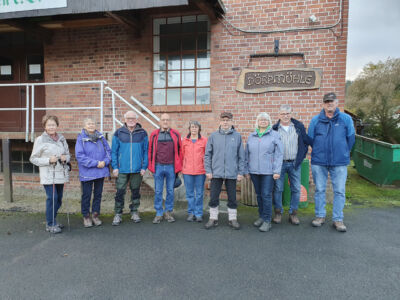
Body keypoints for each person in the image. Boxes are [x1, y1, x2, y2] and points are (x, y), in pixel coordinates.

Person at [308, 92, 355, 232]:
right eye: (327, 101)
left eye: (332, 101)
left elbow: (351, 139)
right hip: (319, 161)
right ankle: (320, 216)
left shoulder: (346, 119)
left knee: (339, 191)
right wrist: (318, 151)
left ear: (337, 103)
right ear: (323, 104)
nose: (329, 104)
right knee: (320, 190)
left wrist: (344, 152)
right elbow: (310, 139)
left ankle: (338, 219)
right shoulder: (315, 120)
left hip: (339, 162)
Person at [204, 112, 245, 230]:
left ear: (231, 121)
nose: (225, 122)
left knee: (232, 197)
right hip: (216, 172)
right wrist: (208, 170)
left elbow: (241, 156)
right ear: (220, 121)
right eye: (223, 120)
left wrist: (240, 172)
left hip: (232, 173)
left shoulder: (237, 136)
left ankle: (232, 219)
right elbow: (207, 155)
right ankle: (213, 218)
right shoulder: (213, 136)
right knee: (213, 197)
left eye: (228, 120)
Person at [272, 105, 312, 225]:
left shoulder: (298, 126)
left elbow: (305, 141)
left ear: (291, 114)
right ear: (279, 115)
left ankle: (293, 214)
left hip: (295, 163)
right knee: (278, 189)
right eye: (283, 114)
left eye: (288, 113)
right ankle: (278, 213)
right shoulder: (274, 129)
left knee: (296, 189)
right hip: (280, 164)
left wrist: (301, 156)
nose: (285, 116)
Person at [30, 115, 70, 234]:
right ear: (45, 126)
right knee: (52, 198)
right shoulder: (40, 140)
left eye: (53, 124)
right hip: (48, 175)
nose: (51, 127)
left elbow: (68, 155)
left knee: (59, 200)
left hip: (60, 174)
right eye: (49, 125)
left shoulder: (62, 138)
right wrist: (48, 160)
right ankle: (50, 224)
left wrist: (65, 158)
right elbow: (33, 159)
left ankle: (53, 219)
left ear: (57, 125)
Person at [245, 112, 283, 232]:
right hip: (254, 171)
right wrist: (246, 170)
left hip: (268, 171)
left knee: (266, 195)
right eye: (261, 119)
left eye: (265, 120)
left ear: (269, 122)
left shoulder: (275, 135)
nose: (263, 121)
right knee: (259, 195)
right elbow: (246, 154)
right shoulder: (252, 136)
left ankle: (267, 220)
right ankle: (261, 216)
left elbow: (279, 154)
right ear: (257, 122)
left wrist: (277, 170)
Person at [111, 111, 148, 226]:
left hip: (137, 169)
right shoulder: (118, 133)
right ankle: (118, 213)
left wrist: (144, 166)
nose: (131, 120)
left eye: (133, 118)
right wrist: (115, 167)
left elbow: (146, 151)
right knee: (120, 192)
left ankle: (134, 211)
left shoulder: (143, 133)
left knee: (136, 192)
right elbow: (114, 152)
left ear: (136, 120)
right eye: (128, 118)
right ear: (125, 119)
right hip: (122, 169)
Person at [75, 118, 111, 228]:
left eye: (93, 123)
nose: (91, 125)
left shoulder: (101, 137)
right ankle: (86, 216)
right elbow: (80, 156)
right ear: (84, 126)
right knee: (86, 195)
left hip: (100, 172)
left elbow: (108, 151)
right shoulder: (81, 139)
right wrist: (96, 163)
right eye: (88, 124)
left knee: (98, 195)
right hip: (87, 173)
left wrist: (105, 162)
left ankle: (95, 215)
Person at [148, 113, 182, 224]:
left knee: (170, 191)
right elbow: (150, 151)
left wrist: (179, 166)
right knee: (158, 191)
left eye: (167, 120)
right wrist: (150, 166)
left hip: (171, 167)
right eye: (163, 120)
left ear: (170, 121)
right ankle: (158, 213)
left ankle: (168, 212)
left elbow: (180, 151)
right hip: (158, 166)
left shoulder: (176, 134)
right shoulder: (154, 134)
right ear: (160, 121)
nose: (165, 122)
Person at [182, 121, 207, 222]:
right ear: (189, 129)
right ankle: (191, 213)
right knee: (189, 193)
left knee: (200, 193)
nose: (194, 129)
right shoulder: (184, 141)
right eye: (192, 127)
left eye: (196, 127)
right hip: (187, 171)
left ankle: (199, 213)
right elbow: (182, 154)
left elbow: (206, 155)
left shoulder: (204, 140)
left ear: (199, 129)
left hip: (200, 171)